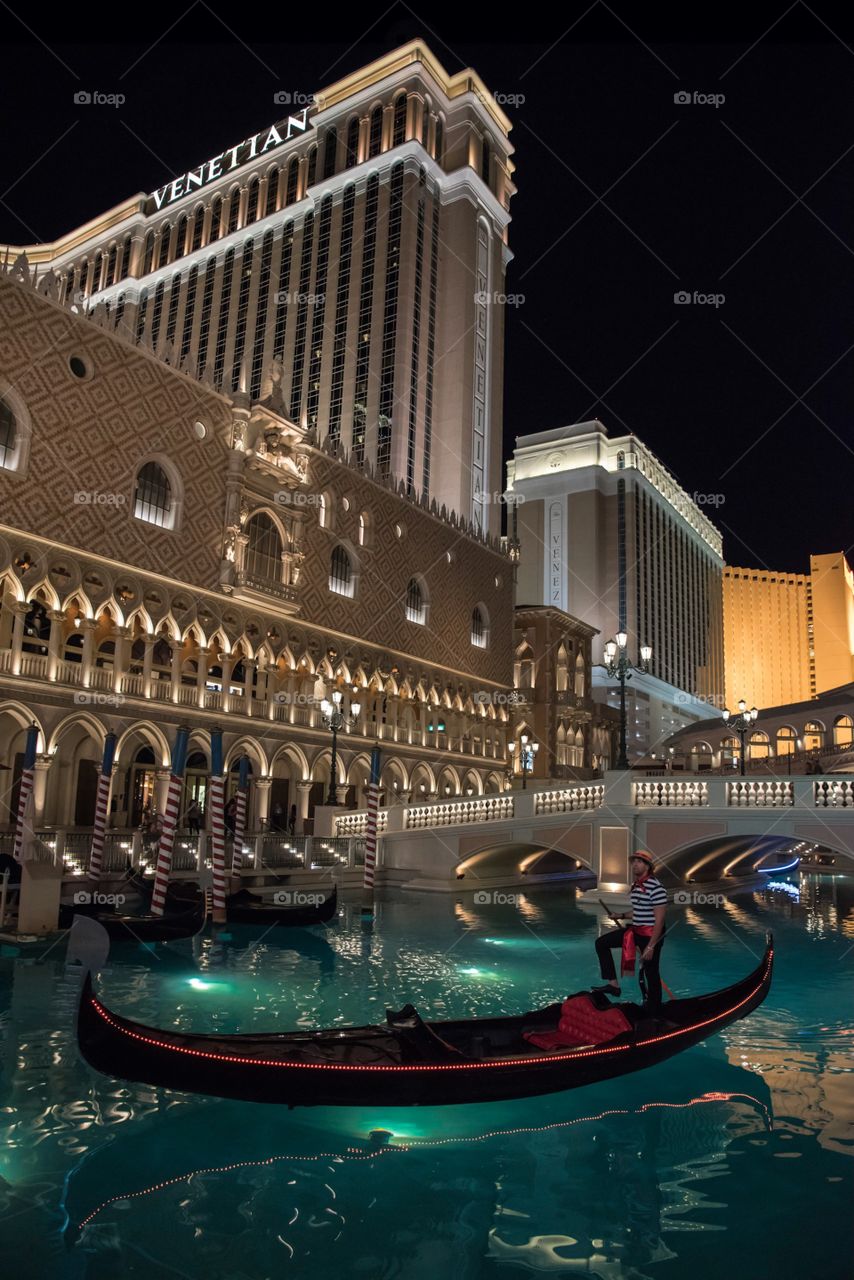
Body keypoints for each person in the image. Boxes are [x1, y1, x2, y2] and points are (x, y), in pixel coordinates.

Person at [593, 852, 667, 1011]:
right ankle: (613, 985)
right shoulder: (636, 886)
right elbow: (639, 910)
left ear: (647, 866)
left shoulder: (656, 888)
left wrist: (651, 946)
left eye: (639, 862)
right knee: (601, 943)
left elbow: (659, 920)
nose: (635, 865)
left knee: (651, 971)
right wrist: (620, 915)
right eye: (634, 862)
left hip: (651, 935)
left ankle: (655, 1009)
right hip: (635, 931)